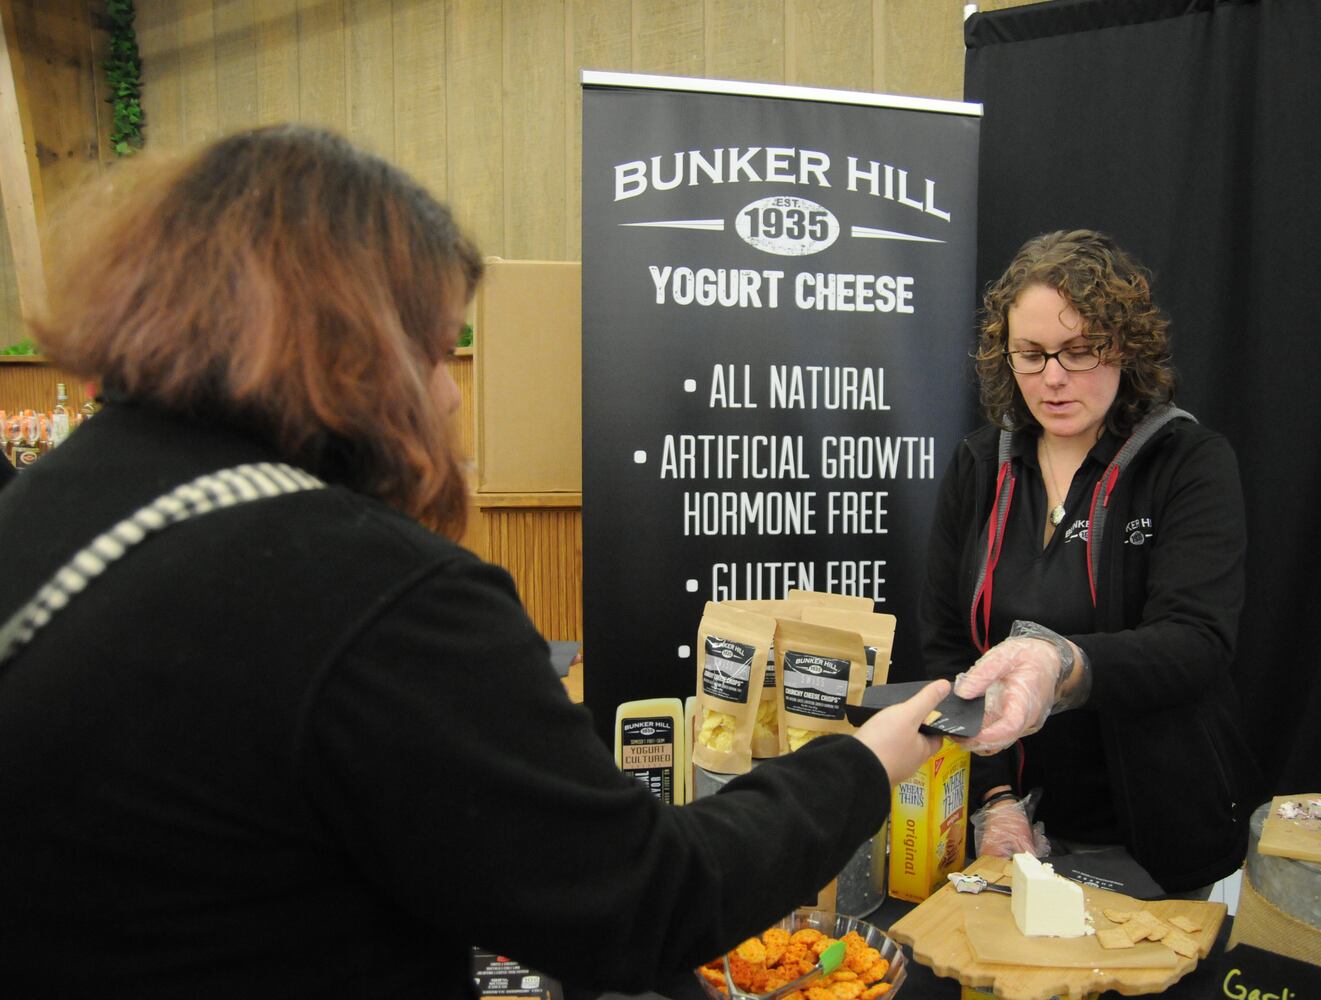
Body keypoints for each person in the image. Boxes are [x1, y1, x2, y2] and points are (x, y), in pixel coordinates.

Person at [0, 125, 952, 999]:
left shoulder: (47, 502)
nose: (450, 399)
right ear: (343, 343)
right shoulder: (368, 591)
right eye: (433, 349)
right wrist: (860, 764)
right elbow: (645, 900)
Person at [920, 229, 1264, 896]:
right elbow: (946, 648)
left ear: (1125, 348)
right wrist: (995, 801)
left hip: (1154, 837)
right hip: (1013, 826)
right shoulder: (979, 465)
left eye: (1079, 352)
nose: (1052, 377)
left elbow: (1196, 642)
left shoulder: (1188, 464)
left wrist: (1064, 665)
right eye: (1032, 354)